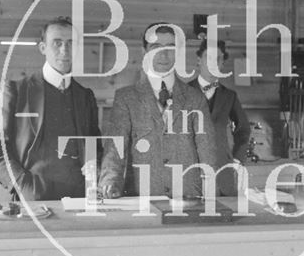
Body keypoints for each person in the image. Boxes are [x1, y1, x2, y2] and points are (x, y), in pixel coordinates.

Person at [0, 16, 101, 204]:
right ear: (43, 48)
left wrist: (94, 168)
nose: (65, 50)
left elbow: (95, 145)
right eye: (57, 43)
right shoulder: (15, 91)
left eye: (71, 43)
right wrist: (22, 185)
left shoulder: (85, 96)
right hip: (28, 200)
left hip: (78, 200)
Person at [98, 23, 216, 198]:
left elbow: (207, 149)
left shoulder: (195, 98)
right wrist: (109, 182)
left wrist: (210, 191)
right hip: (142, 196)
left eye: (170, 47)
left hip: (189, 196)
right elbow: (115, 148)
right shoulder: (126, 98)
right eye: (155, 47)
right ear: (144, 52)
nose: (163, 53)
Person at [188, 39, 251, 195]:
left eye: (218, 59)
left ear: (222, 64)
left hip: (223, 176)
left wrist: (236, 161)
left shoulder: (229, 96)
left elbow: (244, 131)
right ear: (199, 61)